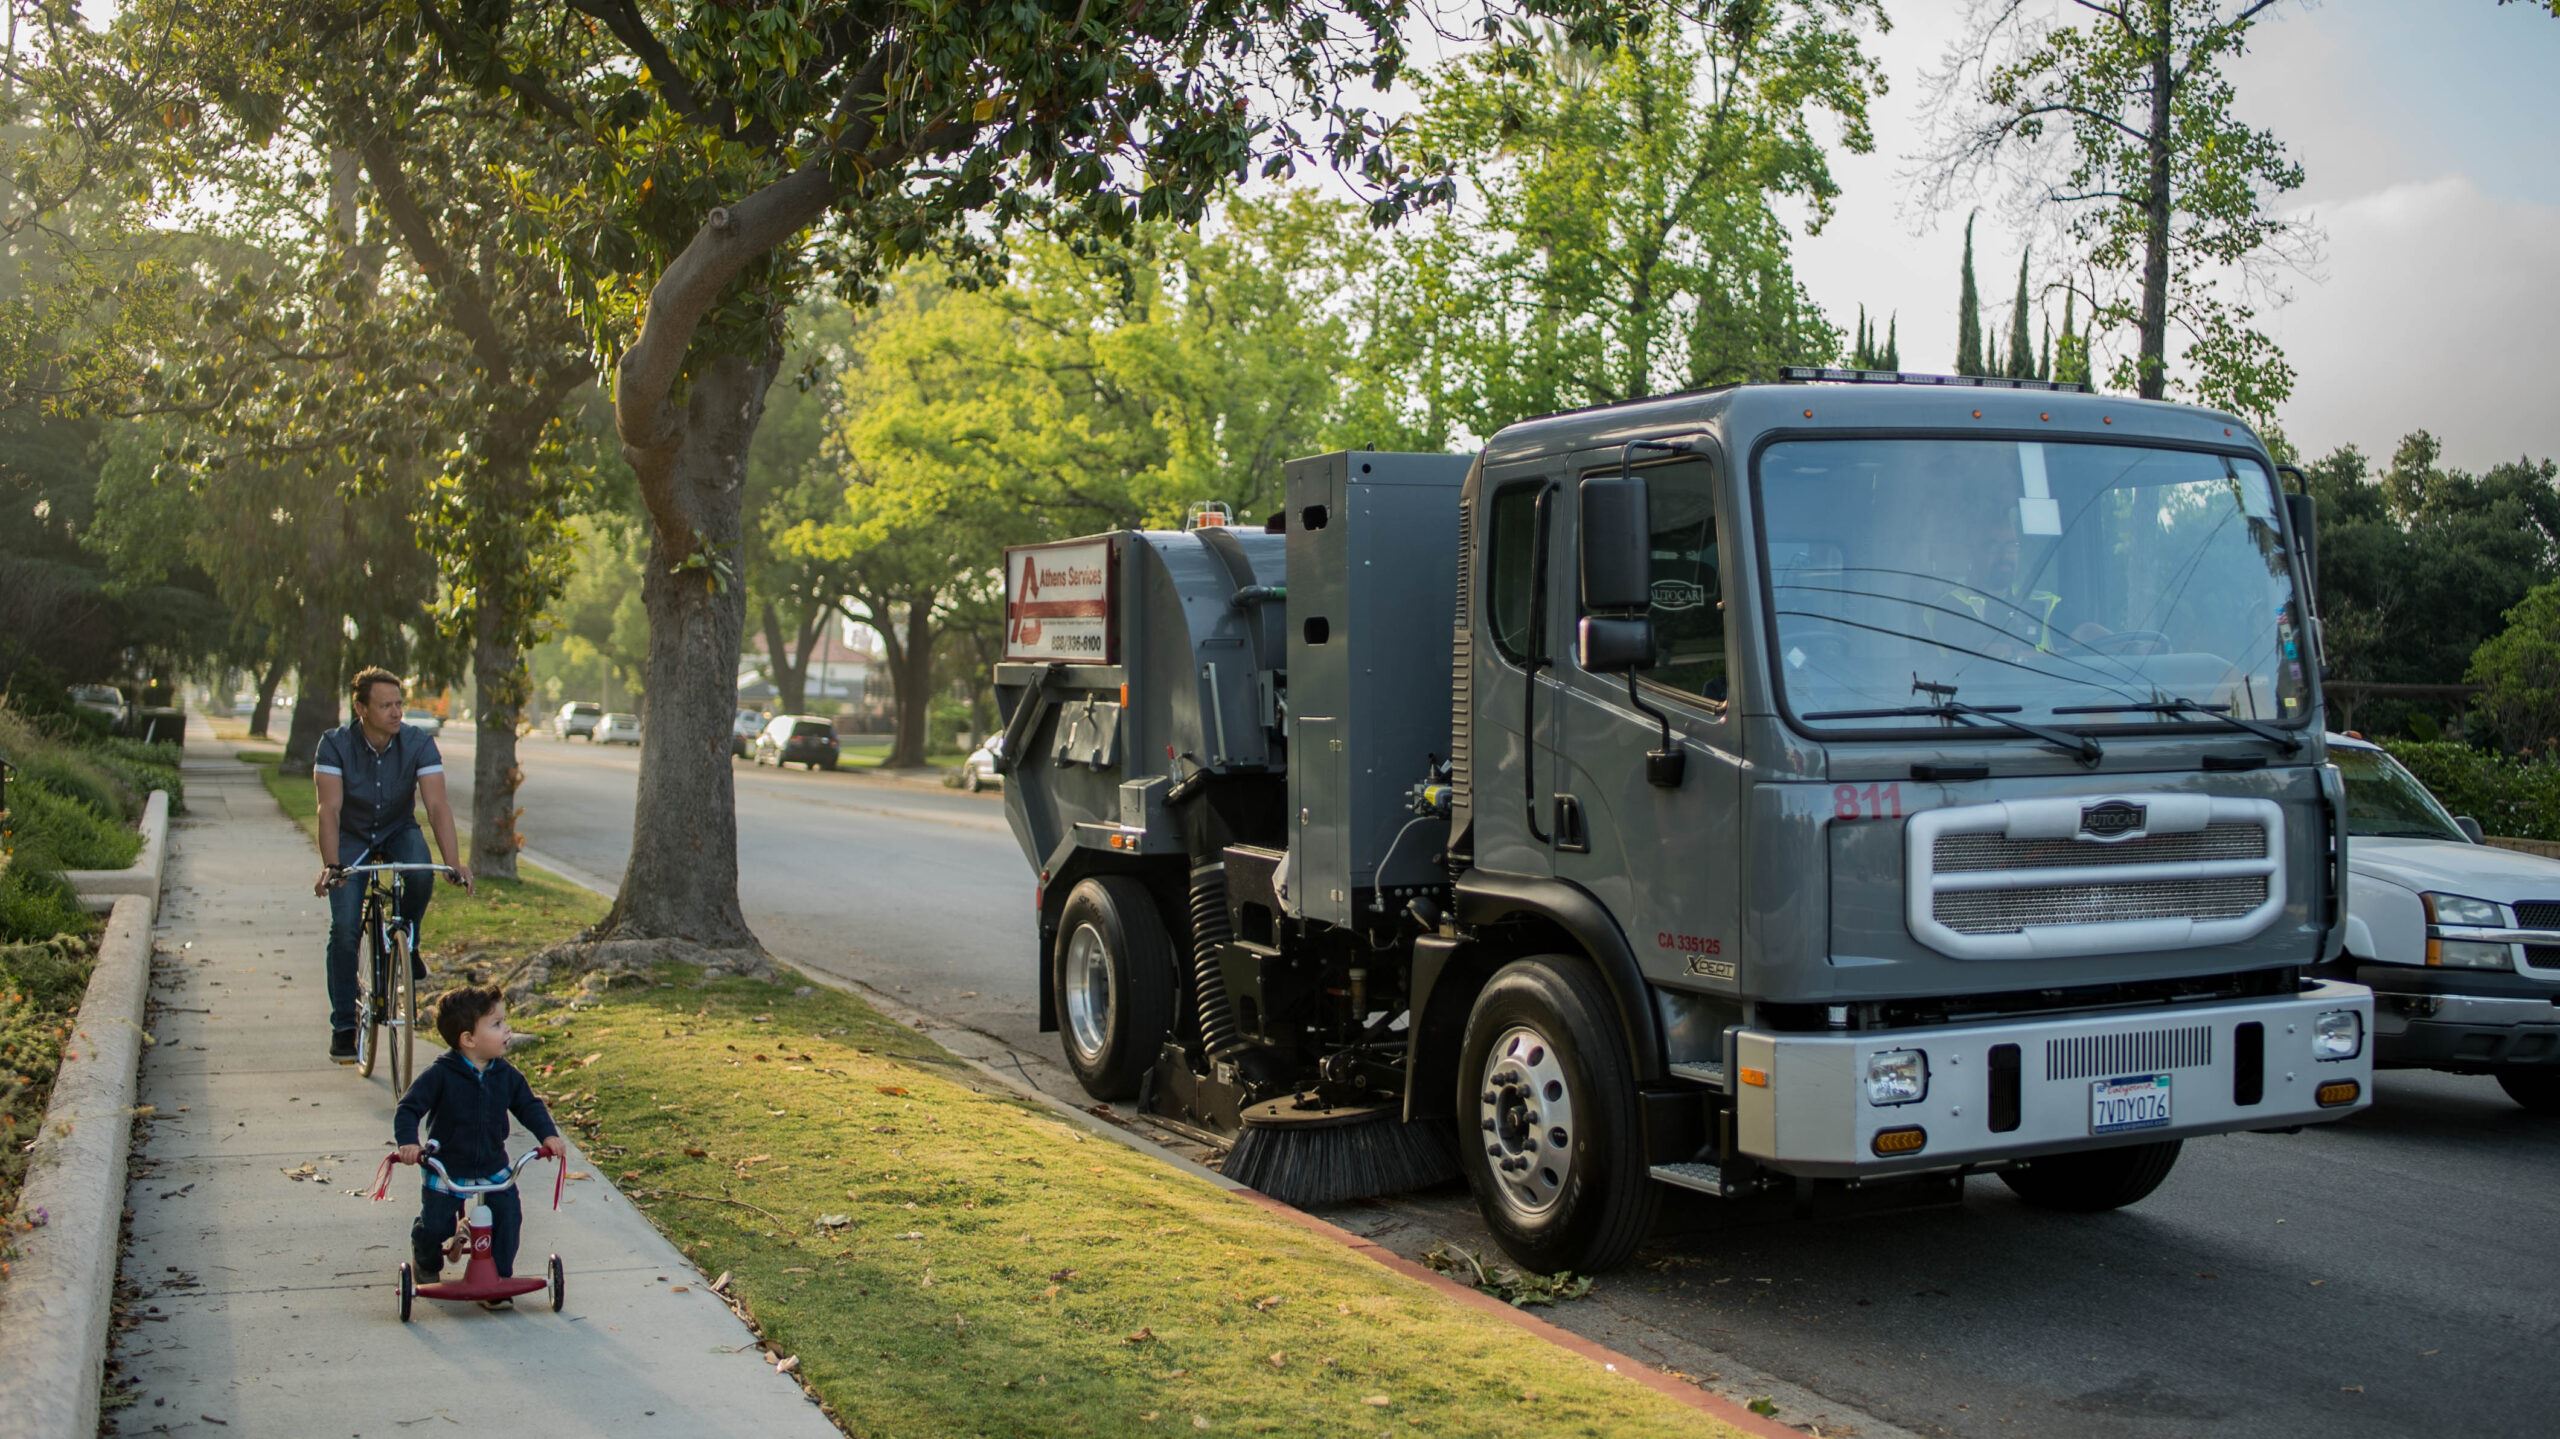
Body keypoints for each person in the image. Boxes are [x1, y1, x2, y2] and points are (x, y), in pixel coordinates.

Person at [313, 667, 472, 1062]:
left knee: (422, 873)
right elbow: (329, 810)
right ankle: (345, 1026)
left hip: (398, 829)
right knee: (346, 926)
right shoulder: (334, 745)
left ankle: (409, 938)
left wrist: (453, 862)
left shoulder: (419, 743)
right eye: (385, 705)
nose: (396, 712)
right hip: (351, 834)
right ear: (361, 707)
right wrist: (333, 865)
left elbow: (436, 805)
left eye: (399, 703)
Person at [393, 984, 566, 1309]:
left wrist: (548, 1136)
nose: (507, 1029)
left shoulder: (506, 1075)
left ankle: (496, 1279)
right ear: (468, 1039)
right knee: (437, 1224)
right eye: (496, 1024)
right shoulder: (441, 1075)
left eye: (504, 1022)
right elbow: (409, 1109)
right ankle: (426, 1257)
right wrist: (408, 1143)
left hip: (491, 1165)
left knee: (508, 1217)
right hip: (447, 1167)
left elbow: (529, 1105)